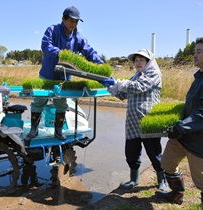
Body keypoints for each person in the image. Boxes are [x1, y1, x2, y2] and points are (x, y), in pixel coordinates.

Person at [26, 6, 104, 141]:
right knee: (39, 101)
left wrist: (101, 66)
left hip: (64, 78)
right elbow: (46, 45)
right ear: (63, 19)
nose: (73, 24)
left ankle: (58, 130)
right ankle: (34, 129)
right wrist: (59, 53)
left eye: (76, 22)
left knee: (61, 103)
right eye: (71, 21)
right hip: (47, 74)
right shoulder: (53, 30)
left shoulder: (78, 37)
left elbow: (89, 51)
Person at [107, 49, 169, 191]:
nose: (138, 63)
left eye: (141, 60)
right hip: (132, 123)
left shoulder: (154, 74)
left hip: (147, 123)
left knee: (154, 153)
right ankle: (134, 179)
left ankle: (162, 180)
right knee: (131, 153)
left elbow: (140, 87)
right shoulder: (134, 77)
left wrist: (120, 83)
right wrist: (111, 87)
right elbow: (123, 95)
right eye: (136, 60)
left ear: (148, 62)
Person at [155, 37, 203, 205]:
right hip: (182, 136)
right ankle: (177, 194)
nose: (194, 56)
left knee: (201, 182)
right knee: (167, 163)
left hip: (198, 140)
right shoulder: (198, 78)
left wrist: (182, 125)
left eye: (198, 52)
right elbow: (190, 105)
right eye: (194, 52)